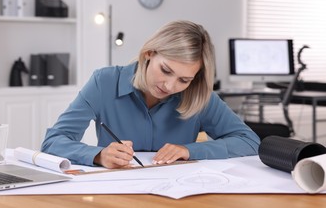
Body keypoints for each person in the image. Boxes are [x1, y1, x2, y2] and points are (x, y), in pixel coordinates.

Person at [41, 20, 260, 168]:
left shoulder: (198, 95)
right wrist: (98, 156)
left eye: (184, 80)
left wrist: (188, 150)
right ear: (149, 54)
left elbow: (250, 142)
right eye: (166, 70)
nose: (170, 85)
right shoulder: (104, 82)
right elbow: (53, 141)